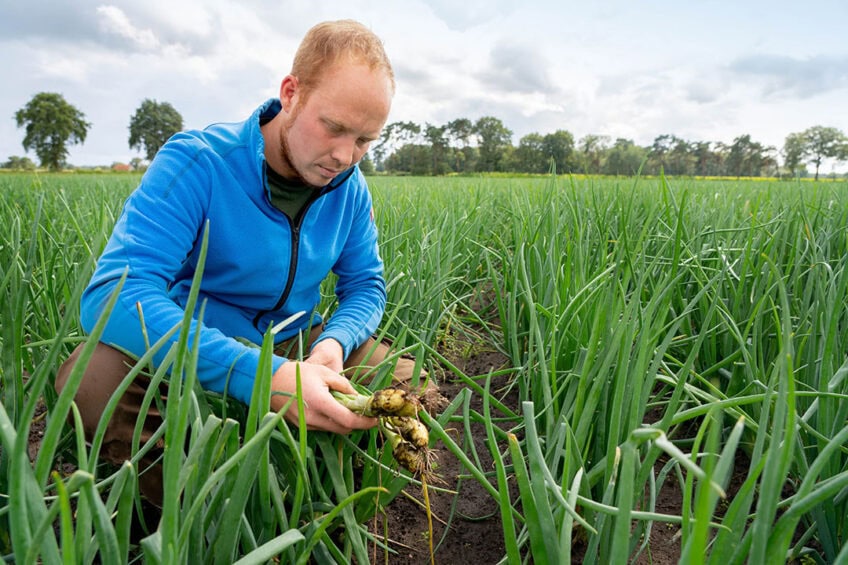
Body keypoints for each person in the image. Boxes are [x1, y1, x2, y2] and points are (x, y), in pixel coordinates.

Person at [55, 20, 435, 507]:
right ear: (291, 93)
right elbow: (114, 295)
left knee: (410, 388)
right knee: (92, 379)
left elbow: (366, 286)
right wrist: (265, 377)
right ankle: (200, 516)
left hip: (299, 339)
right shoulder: (199, 163)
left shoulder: (349, 188)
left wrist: (334, 346)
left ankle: (328, 502)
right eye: (334, 128)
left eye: (365, 140)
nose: (345, 155)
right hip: (195, 345)